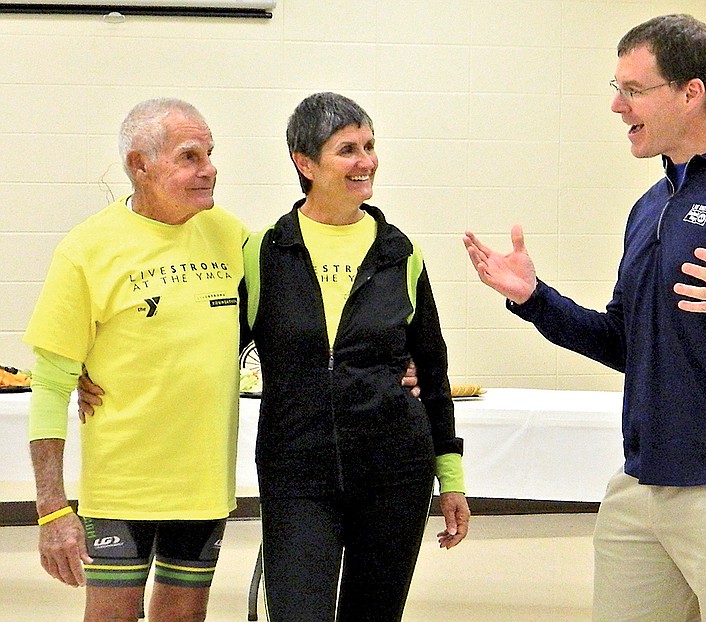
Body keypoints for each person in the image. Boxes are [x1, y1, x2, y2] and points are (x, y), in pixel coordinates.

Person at [464, 14, 706, 622]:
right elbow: (625, 342)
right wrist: (536, 298)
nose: (618, 106)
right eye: (616, 89)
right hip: (641, 487)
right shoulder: (652, 205)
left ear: (691, 92)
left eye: (634, 90)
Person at [240, 91, 470, 621]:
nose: (366, 161)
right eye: (347, 150)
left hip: (395, 473)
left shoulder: (400, 252)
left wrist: (450, 478)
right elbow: (215, 347)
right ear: (305, 163)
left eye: (369, 146)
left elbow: (432, 371)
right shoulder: (264, 251)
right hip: (297, 473)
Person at [25, 98, 248, 622]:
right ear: (138, 165)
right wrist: (52, 509)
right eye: (189, 156)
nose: (209, 168)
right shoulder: (86, 250)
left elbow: (296, 321)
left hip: (203, 489)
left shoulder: (232, 237)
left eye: (210, 154)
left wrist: (390, 358)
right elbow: (50, 387)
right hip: (122, 488)